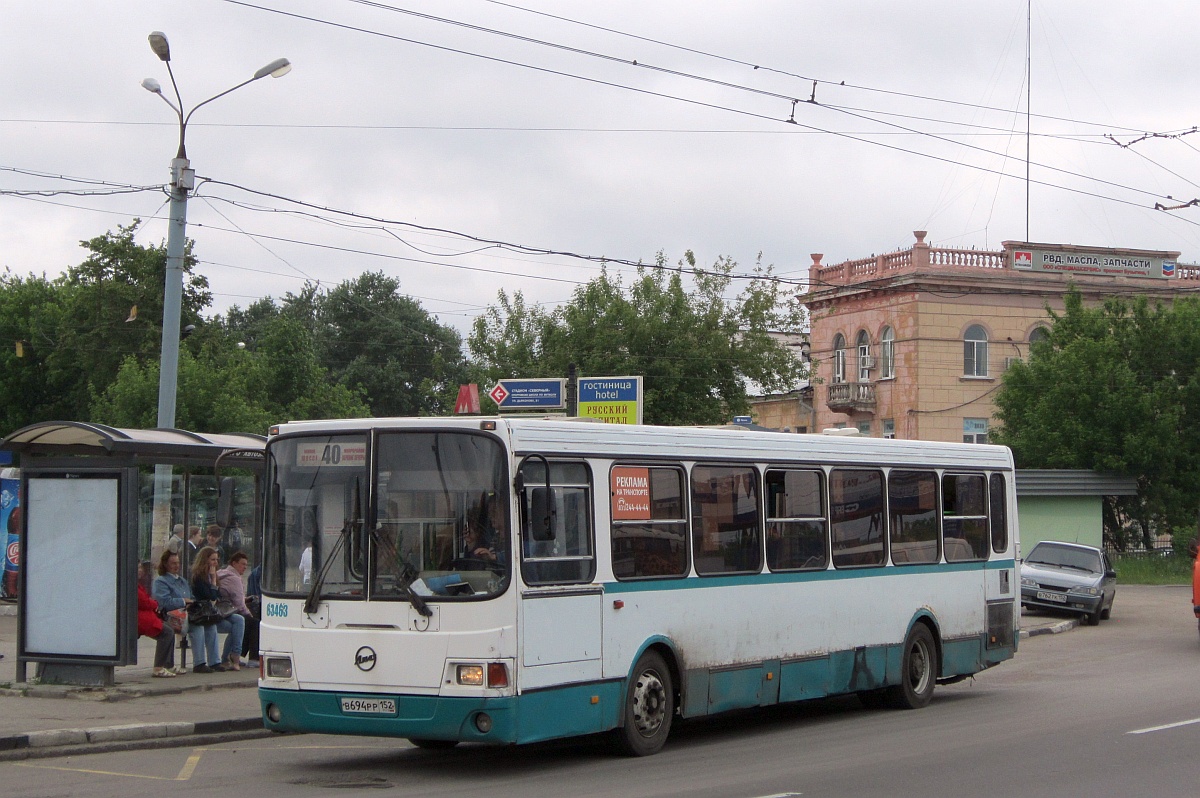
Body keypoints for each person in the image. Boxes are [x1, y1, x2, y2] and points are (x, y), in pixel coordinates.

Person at [192, 545, 244, 671]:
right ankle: (218, 660)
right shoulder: (199, 577)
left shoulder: (213, 575)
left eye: (217, 559)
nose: (216, 563)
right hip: (203, 614)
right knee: (214, 628)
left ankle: (234, 655)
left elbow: (217, 597)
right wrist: (214, 580)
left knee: (239, 620)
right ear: (205, 560)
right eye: (213, 560)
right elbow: (210, 596)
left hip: (215, 612)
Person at [151, 549, 204, 674]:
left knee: (203, 625)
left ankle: (202, 663)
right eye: (173, 563)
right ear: (165, 564)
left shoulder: (182, 581)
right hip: (169, 616)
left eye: (178, 563)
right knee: (169, 629)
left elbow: (191, 597)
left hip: (186, 615)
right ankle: (167, 664)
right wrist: (183, 601)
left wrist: (192, 603)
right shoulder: (161, 581)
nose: (176, 566)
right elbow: (163, 602)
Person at [217, 551, 259, 667]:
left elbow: (234, 597)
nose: (245, 567)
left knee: (241, 624)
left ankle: (229, 656)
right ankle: (253, 658)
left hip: (222, 610)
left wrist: (246, 599)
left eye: (246, 564)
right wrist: (249, 614)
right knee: (254, 623)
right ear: (234, 563)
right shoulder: (234, 578)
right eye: (242, 564)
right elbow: (240, 605)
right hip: (227, 612)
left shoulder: (221, 573)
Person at [137, 560, 177, 677]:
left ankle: (168, 665)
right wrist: (154, 604)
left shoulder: (138, 583)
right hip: (141, 618)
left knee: (169, 629)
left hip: (146, 615)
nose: (140, 570)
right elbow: (143, 601)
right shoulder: (133, 584)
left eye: (141, 568)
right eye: (138, 567)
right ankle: (159, 666)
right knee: (166, 632)